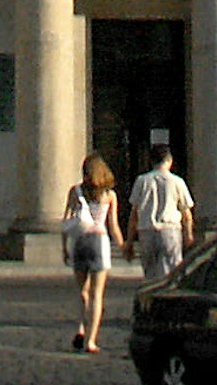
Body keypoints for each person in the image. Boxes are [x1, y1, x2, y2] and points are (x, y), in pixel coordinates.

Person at [61, 154, 121, 352]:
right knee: (97, 294)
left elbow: (66, 220)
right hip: (98, 241)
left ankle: (80, 327)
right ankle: (91, 340)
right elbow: (113, 226)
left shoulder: (75, 191)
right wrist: (124, 246)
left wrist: (64, 247)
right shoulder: (108, 195)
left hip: (79, 241)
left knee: (83, 292)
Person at [127, 145, 195, 282]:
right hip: (170, 230)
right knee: (172, 272)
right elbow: (187, 214)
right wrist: (189, 236)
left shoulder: (142, 181)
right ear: (170, 160)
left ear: (151, 161)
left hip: (147, 230)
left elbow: (134, 213)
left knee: (150, 273)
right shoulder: (177, 181)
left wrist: (129, 241)